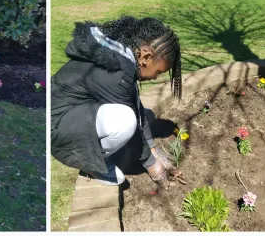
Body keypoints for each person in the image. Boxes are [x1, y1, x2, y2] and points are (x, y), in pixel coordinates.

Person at [51, 16, 182, 188]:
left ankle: (99, 150)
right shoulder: (116, 72)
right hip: (56, 124)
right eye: (158, 72)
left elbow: (135, 105)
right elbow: (134, 126)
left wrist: (153, 149)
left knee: (143, 116)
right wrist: (153, 165)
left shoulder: (122, 56)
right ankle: (90, 163)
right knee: (125, 121)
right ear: (146, 57)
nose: (156, 77)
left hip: (74, 111)